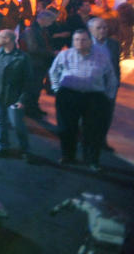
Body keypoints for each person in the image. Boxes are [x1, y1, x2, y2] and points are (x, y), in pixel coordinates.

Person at [49, 29, 117, 171]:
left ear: (90, 41)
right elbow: (53, 72)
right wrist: (57, 89)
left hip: (93, 97)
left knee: (93, 130)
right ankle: (68, 156)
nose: (79, 42)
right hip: (69, 96)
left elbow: (111, 78)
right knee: (67, 128)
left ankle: (92, 160)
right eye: (76, 40)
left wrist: (108, 96)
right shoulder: (65, 55)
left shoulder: (101, 57)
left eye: (83, 40)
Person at [0, 29, 32, 160]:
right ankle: (2, 146)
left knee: (17, 124)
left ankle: (25, 149)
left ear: (8, 40)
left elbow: (28, 81)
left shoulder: (22, 57)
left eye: (0, 36)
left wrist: (22, 99)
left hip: (13, 97)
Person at [88, 17, 121, 152]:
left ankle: (101, 140)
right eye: (99, 28)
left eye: (105, 28)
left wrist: (116, 82)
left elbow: (116, 65)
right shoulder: (84, 43)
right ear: (90, 30)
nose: (103, 30)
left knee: (106, 115)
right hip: (90, 86)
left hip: (108, 86)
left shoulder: (114, 44)